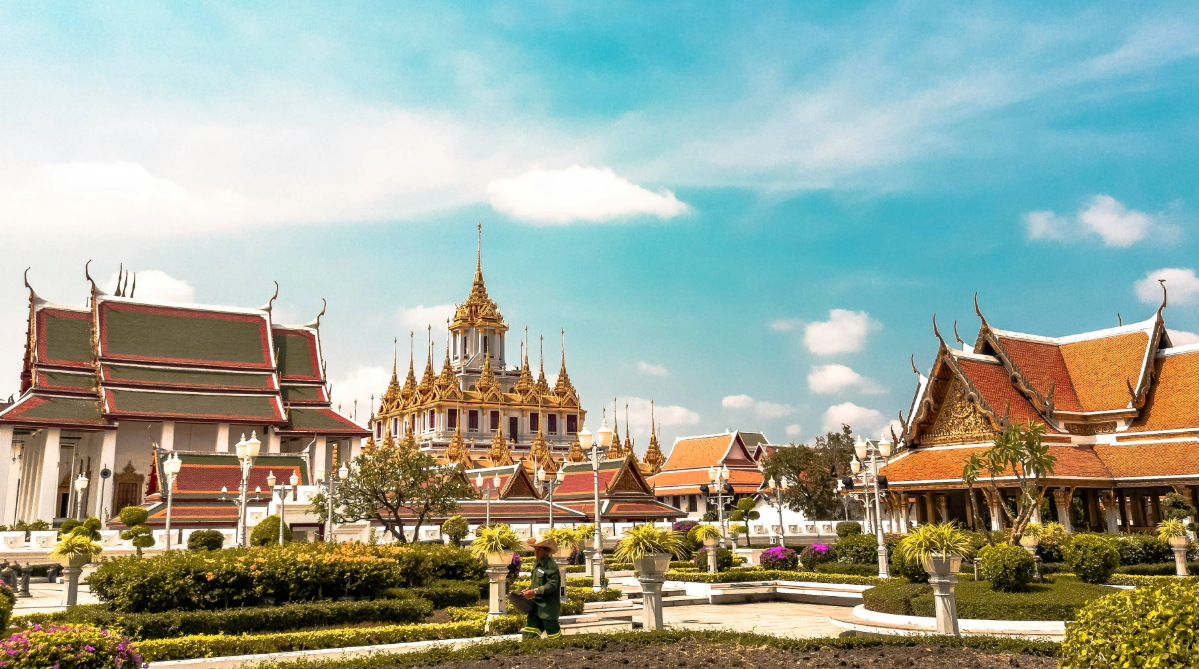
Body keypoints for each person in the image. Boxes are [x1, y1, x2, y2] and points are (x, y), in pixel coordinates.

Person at [521, 536, 562, 640]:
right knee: (530, 630)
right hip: (536, 605)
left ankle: (559, 651)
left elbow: (552, 585)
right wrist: (529, 589)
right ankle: (529, 649)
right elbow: (537, 582)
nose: (536, 552)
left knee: (553, 633)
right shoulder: (537, 563)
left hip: (547, 608)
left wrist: (534, 591)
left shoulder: (551, 566)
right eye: (535, 549)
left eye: (539, 550)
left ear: (547, 551)